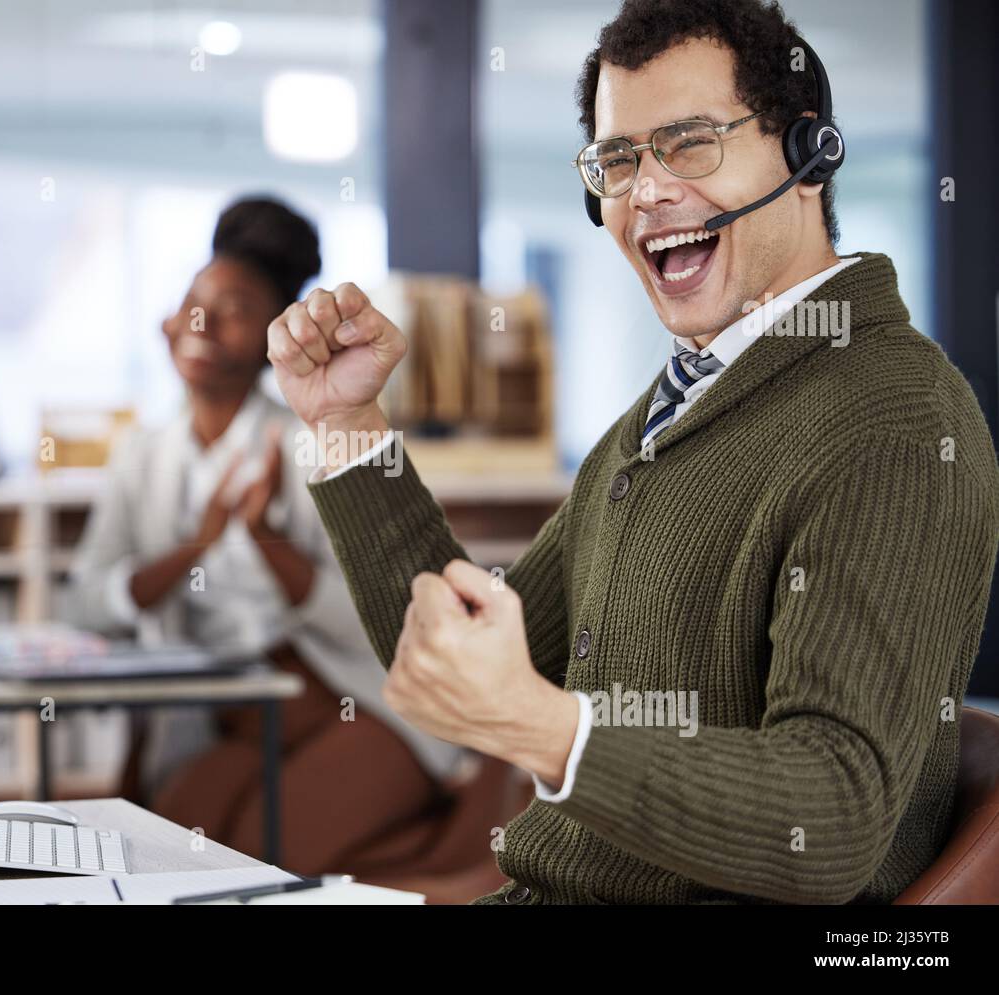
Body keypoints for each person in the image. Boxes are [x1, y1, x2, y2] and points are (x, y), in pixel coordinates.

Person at [265, 0, 999, 904]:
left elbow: (832, 818)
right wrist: (349, 424)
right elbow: (461, 660)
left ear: (808, 154)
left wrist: (549, 730)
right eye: (618, 161)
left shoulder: (894, 419)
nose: (645, 192)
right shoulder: (671, 413)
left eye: (689, 143)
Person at [68, 196, 463, 875]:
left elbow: (382, 621)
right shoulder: (144, 454)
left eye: (236, 308)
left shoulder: (310, 439)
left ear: (271, 339)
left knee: (260, 852)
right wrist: (191, 550)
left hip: (349, 706)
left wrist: (265, 538)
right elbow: (83, 605)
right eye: (194, 302)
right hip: (231, 721)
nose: (203, 321)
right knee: (174, 850)